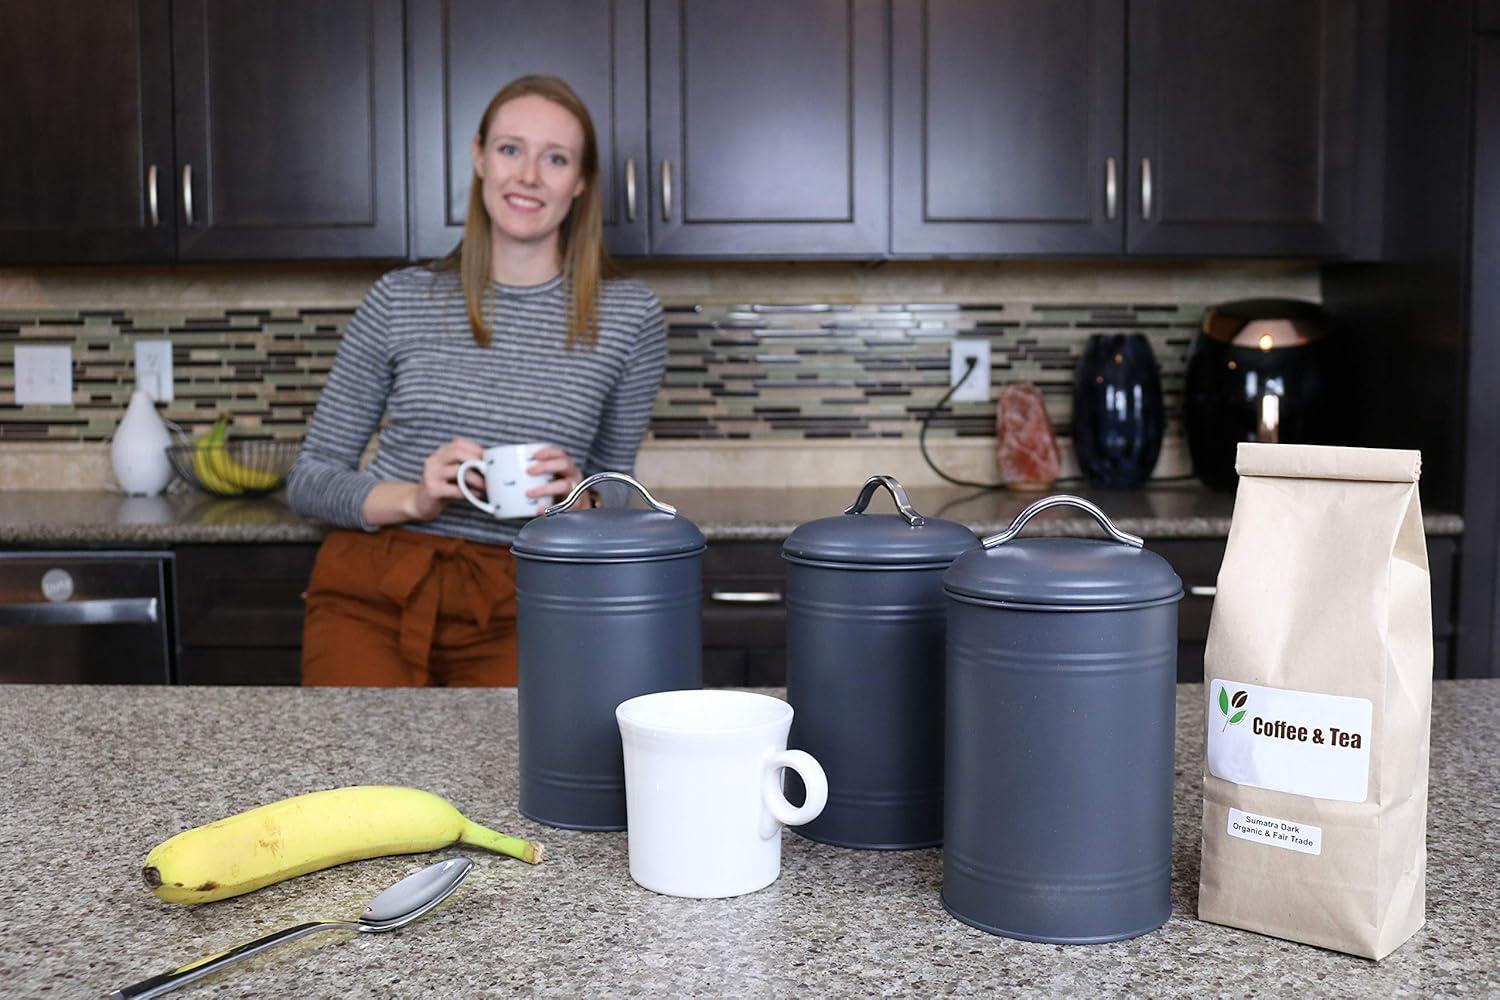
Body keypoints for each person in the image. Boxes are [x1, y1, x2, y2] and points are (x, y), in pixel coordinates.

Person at [287, 75, 666, 687]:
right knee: (353, 750)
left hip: (530, 594)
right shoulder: (399, 299)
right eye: (511, 149)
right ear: (480, 157)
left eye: (556, 158)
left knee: (508, 752)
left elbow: (619, 485)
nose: (528, 176)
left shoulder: (630, 317)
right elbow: (309, 481)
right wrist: (416, 498)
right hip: (373, 591)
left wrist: (585, 498)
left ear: (580, 181)